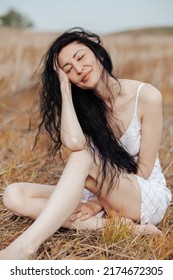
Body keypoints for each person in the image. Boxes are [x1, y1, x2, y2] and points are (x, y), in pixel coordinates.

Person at [0, 27, 172, 260]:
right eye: (68, 70)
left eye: (81, 57)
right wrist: (65, 89)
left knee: (82, 157)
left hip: (143, 195)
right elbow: (73, 142)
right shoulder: (85, 109)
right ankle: (118, 227)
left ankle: (25, 247)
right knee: (14, 194)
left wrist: (97, 204)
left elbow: (143, 171)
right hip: (104, 194)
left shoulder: (147, 96)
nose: (78, 69)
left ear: (98, 54)